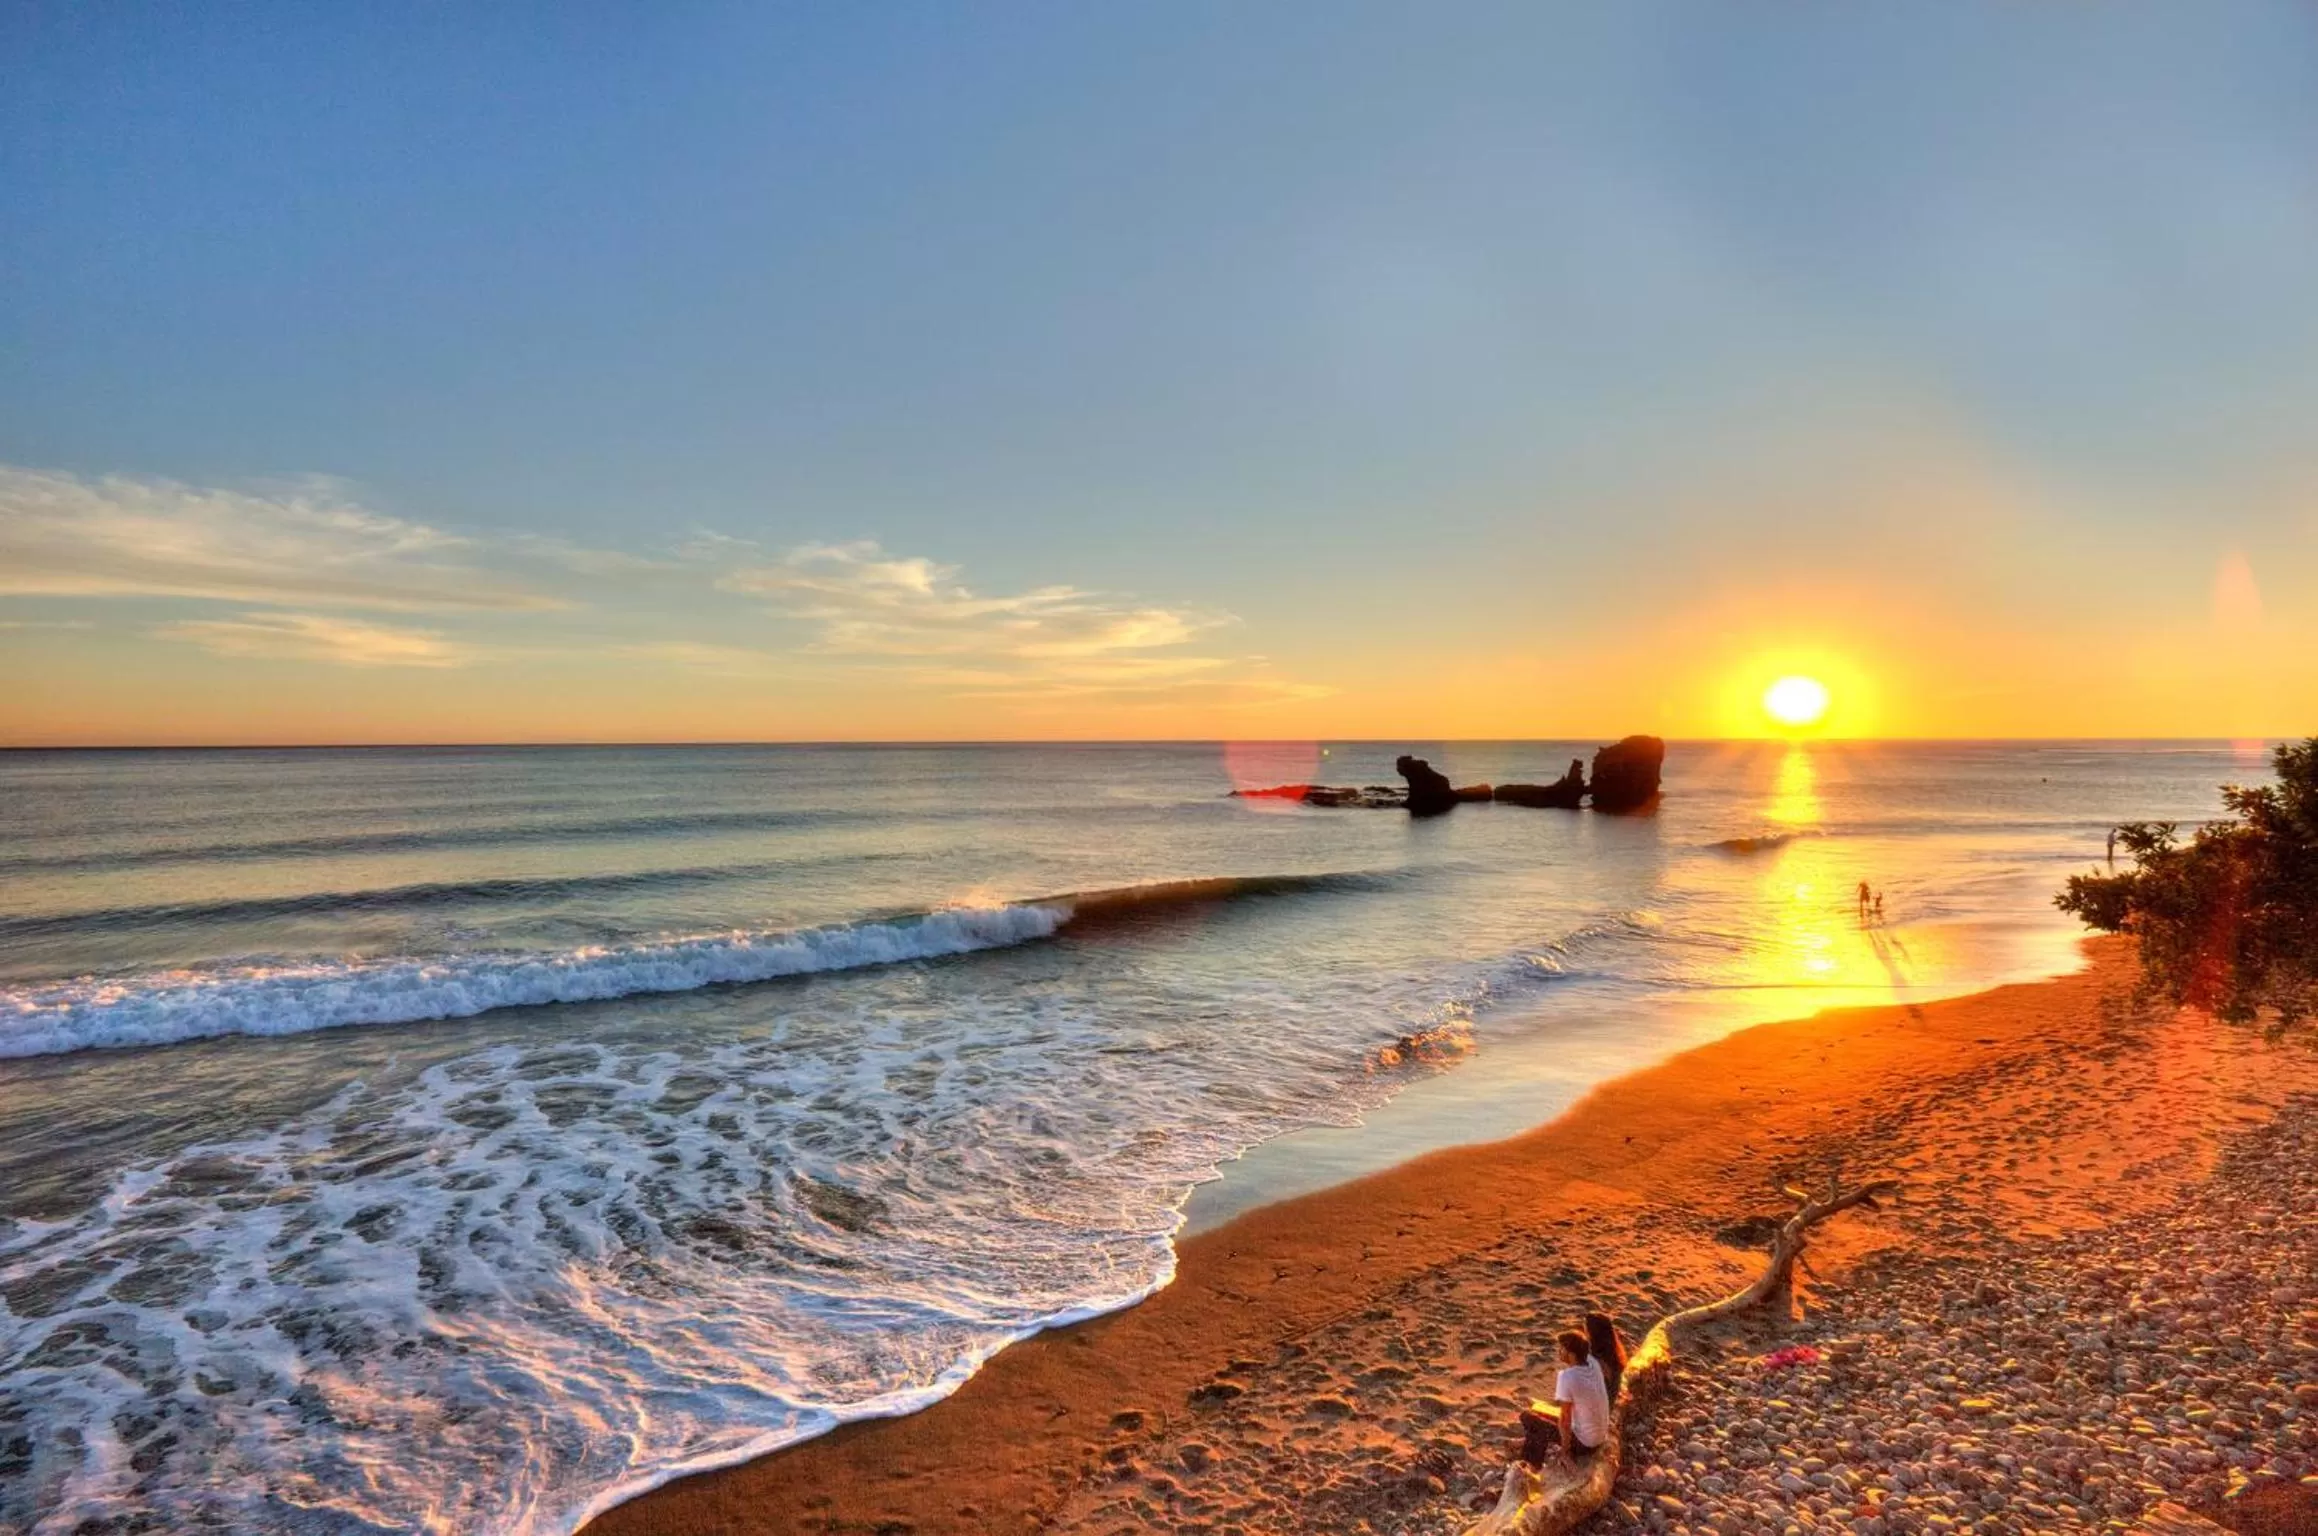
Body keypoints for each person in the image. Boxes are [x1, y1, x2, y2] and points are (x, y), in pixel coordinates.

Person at [1518, 1329, 1612, 1465]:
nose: (1559, 1352)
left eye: (1562, 1349)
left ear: (1572, 1355)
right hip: (1600, 1437)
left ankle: (1529, 1466)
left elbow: (1565, 1420)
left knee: (1528, 1418)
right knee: (1540, 1411)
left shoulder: (1567, 1377)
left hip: (1584, 1445)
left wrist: (1565, 1452)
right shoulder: (1593, 1364)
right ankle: (1523, 1443)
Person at [1584, 1311, 1629, 1402]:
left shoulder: (1592, 1360)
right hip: (1607, 1408)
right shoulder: (1615, 1356)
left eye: (1586, 1329)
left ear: (1591, 1333)